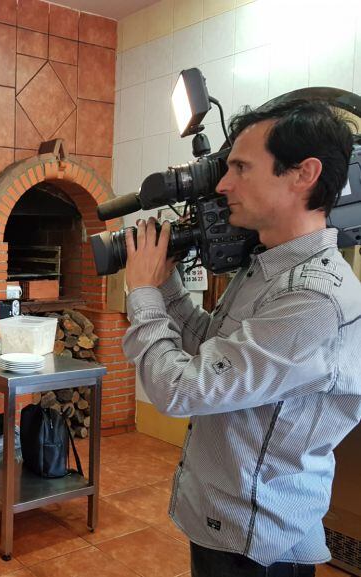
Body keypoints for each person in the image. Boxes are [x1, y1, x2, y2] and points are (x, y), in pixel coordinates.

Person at [121, 99, 361, 576]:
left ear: (302, 174)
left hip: (257, 541)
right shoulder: (268, 266)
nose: (224, 184)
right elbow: (210, 347)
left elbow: (183, 389)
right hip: (227, 524)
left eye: (241, 168)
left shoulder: (313, 299)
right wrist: (164, 282)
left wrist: (143, 294)